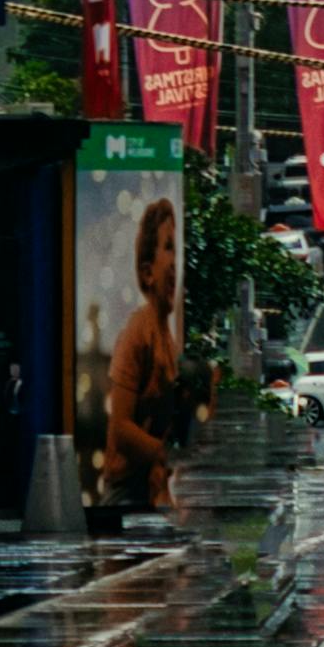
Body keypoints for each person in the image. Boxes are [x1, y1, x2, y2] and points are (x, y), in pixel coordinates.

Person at [102, 191, 186, 507]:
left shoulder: (167, 335)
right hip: (125, 493)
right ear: (148, 271)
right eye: (168, 248)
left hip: (150, 488)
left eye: (176, 249)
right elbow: (120, 428)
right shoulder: (138, 331)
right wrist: (164, 453)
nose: (176, 262)